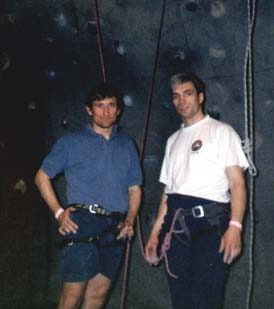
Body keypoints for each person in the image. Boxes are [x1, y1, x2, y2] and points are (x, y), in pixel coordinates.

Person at [145, 72, 249, 309]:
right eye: (176, 96)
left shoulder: (222, 132)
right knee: (180, 300)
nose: (182, 101)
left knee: (207, 300)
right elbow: (168, 192)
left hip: (210, 225)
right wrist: (154, 234)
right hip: (176, 224)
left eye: (187, 93)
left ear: (200, 97)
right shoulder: (173, 140)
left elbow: (237, 184)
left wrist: (235, 227)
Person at [35, 82, 142, 309]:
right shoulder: (71, 142)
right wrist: (59, 213)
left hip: (115, 226)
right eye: (99, 105)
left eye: (111, 105)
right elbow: (41, 176)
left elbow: (135, 188)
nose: (106, 111)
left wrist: (130, 220)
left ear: (119, 110)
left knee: (97, 297)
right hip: (82, 223)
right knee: (71, 297)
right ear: (88, 110)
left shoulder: (126, 144)